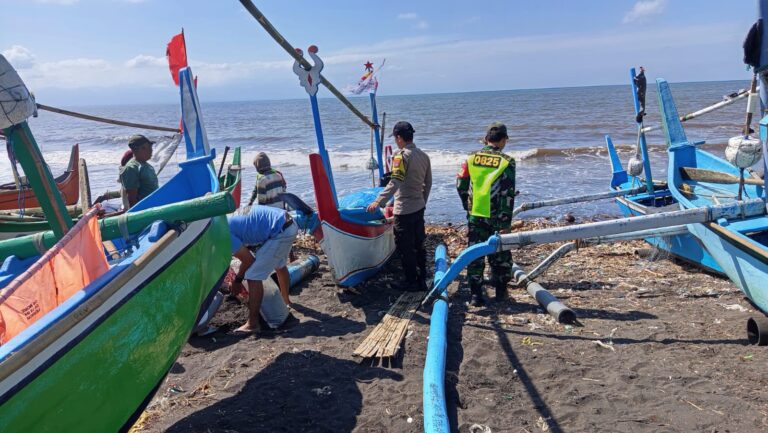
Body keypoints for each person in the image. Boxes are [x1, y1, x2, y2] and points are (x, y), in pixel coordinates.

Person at [366, 121, 432, 291]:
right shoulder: (423, 156)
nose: (396, 141)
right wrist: (422, 200)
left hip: (404, 209)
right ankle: (422, 276)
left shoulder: (400, 156)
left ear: (400, 138)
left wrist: (378, 201)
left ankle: (410, 281)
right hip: (419, 207)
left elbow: (395, 181)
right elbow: (428, 183)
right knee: (419, 244)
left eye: (396, 138)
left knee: (405, 247)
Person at [456, 122, 516, 306]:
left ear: (486, 139)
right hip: (497, 216)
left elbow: (460, 185)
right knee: (500, 253)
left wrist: (468, 207)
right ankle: (500, 291)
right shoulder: (507, 161)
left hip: (476, 214)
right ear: (503, 140)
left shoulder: (471, 159)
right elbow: (507, 194)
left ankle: (475, 295)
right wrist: (505, 223)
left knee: (475, 253)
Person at [228, 205, 298, 334]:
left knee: (253, 275)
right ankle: (286, 301)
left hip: (279, 232)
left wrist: (237, 280)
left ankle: (252, 324)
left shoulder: (225, 234)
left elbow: (249, 260)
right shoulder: (228, 219)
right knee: (279, 265)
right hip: (288, 223)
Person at [119, 134, 158, 208]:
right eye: (149, 147)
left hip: (155, 205)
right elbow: (132, 199)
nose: (151, 150)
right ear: (141, 148)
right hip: (146, 210)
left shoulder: (147, 165)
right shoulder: (132, 168)